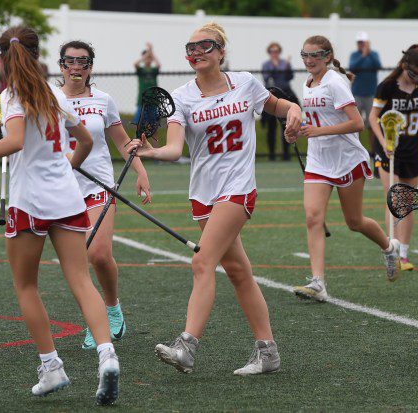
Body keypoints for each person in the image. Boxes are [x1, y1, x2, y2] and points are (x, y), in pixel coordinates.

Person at [0, 26, 120, 405]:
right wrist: (65, 166)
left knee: (27, 286)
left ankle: (51, 365)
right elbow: (85, 141)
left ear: (2, 59)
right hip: (68, 197)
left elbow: (16, 141)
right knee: (81, 280)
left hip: (30, 202)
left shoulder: (11, 95)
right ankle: (107, 355)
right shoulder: (55, 93)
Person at [127, 22, 303, 376]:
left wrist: (294, 113)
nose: (197, 53)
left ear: (221, 51)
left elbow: (278, 106)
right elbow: (175, 148)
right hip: (203, 194)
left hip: (237, 189)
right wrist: (150, 151)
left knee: (201, 263)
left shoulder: (245, 83)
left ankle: (186, 347)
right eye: (190, 48)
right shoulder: (182, 97)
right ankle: (268, 352)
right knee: (238, 272)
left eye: (205, 46)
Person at [290, 35, 401, 303]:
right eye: (304, 55)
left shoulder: (335, 82)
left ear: (327, 56)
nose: (308, 60)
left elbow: (356, 123)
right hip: (318, 160)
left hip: (346, 159)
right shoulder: (307, 83)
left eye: (314, 55)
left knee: (354, 222)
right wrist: (296, 129)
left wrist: (318, 131)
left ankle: (389, 247)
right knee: (313, 216)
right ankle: (318, 283)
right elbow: (315, 119)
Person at [57, 40, 152, 350]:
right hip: (62, 188)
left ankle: (112, 309)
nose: (76, 67)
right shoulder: (49, 99)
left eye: (82, 61)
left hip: (99, 185)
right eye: (70, 61)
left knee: (97, 253)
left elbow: (123, 141)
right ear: (62, 66)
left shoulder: (103, 100)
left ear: (90, 68)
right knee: (77, 263)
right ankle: (96, 321)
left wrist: (141, 171)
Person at [369, 45, 418, 272]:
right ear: (404, 66)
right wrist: (383, 143)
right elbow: (372, 118)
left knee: (408, 202)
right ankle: (391, 248)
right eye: (414, 73)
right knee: (395, 198)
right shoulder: (387, 87)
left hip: (411, 150)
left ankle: (404, 253)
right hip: (389, 149)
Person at [261, 42, 297, 161]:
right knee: (271, 127)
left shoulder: (285, 63)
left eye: (276, 51)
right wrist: (276, 68)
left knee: (286, 126)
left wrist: (286, 68)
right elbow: (266, 78)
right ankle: (271, 154)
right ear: (269, 52)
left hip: (285, 94)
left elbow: (290, 77)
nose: (274, 54)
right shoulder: (266, 64)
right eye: (272, 51)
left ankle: (286, 154)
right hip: (271, 96)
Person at [349, 31, 382, 159]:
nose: (360, 44)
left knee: (372, 125)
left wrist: (368, 54)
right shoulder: (355, 55)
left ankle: (374, 151)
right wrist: (363, 55)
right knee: (355, 124)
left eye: (363, 42)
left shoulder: (374, 55)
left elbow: (378, 65)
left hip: (371, 94)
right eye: (359, 42)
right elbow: (352, 67)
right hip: (357, 94)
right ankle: (355, 150)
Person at [133, 42, 161, 123]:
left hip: (153, 100)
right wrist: (148, 52)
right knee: (139, 124)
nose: (147, 59)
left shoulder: (153, 70)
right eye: (146, 58)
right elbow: (135, 64)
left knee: (154, 125)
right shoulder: (141, 70)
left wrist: (151, 52)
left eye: (149, 58)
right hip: (142, 101)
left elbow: (159, 65)